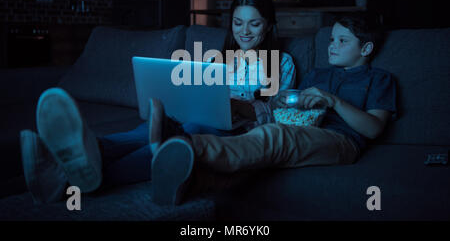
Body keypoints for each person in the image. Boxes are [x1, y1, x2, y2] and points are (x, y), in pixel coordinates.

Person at [20, 0, 296, 205]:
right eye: (238, 22)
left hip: (236, 131)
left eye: (254, 24)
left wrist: (241, 106)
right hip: (198, 118)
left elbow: (278, 114)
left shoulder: (282, 63)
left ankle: (66, 176)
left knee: (187, 133)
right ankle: (80, 154)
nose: (244, 31)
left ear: (269, 25)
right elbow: (194, 95)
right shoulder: (218, 60)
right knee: (150, 128)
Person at [150, 14, 397, 205]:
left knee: (274, 136)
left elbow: (374, 129)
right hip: (301, 129)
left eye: (343, 41)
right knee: (258, 159)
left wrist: (333, 101)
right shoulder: (317, 74)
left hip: (341, 141)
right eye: (332, 39)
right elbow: (294, 105)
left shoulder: (379, 79)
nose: (333, 46)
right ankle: (186, 184)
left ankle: (187, 144)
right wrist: (283, 102)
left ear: (365, 49)